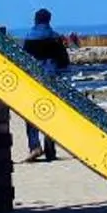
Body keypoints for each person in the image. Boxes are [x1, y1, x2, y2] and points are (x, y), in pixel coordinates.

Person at [21, 8, 72, 161]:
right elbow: (64, 61)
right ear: (49, 20)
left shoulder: (29, 38)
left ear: (36, 20)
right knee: (51, 113)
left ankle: (35, 146)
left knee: (31, 113)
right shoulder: (55, 37)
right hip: (51, 78)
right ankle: (50, 147)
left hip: (33, 79)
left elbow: (24, 59)